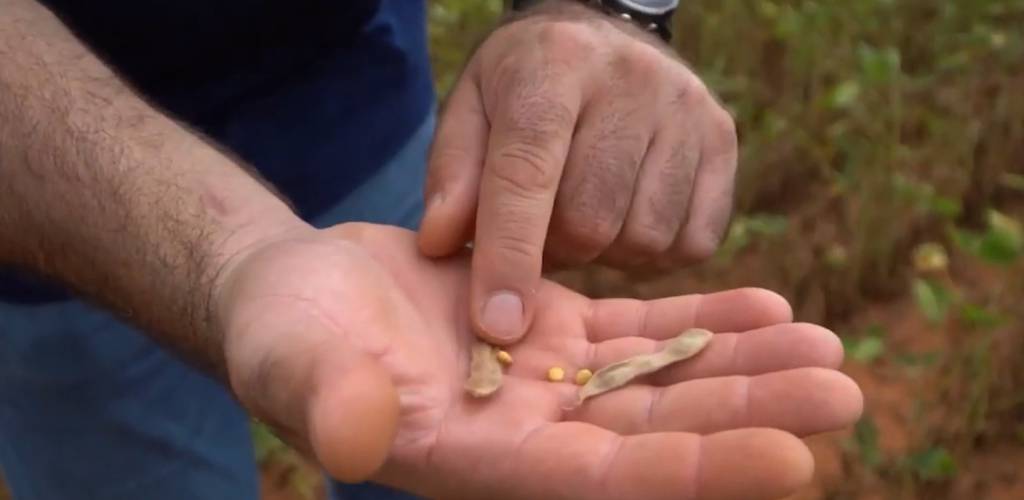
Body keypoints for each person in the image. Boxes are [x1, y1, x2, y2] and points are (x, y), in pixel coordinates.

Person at [0, 0, 864, 499]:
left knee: (429, 423)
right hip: (49, 184)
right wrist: (229, 256)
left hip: (356, 90)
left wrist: (603, 9)